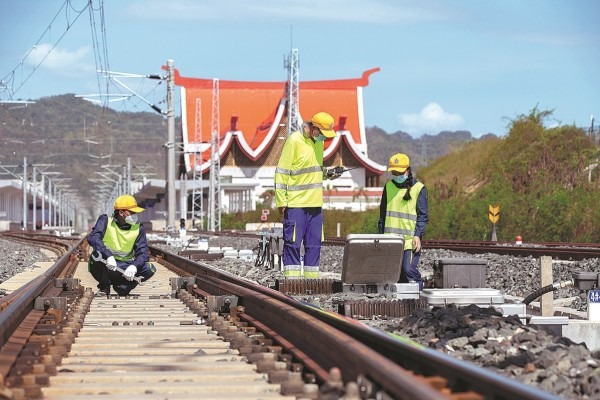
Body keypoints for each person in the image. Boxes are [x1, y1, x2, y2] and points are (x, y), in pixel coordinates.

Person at [274, 111, 341, 279]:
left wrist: (329, 173)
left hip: (315, 205)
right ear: (314, 129)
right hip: (296, 204)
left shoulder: (318, 144)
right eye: (323, 134)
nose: (324, 139)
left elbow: (313, 170)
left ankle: (312, 282)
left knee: (314, 244)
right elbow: (282, 172)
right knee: (293, 243)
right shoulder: (294, 140)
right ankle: (292, 281)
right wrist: (281, 200)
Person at [88, 194, 156, 296]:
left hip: (124, 267)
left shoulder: (138, 228)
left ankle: (123, 288)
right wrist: (108, 256)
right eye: (131, 212)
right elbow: (93, 238)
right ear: (121, 212)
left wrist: (134, 266)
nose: (134, 215)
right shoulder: (105, 220)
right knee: (96, 257)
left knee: (150, 268)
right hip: (105, 265)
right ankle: (104, 288)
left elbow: (143, 253)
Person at [378, 153, 428, 290]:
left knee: (408, 270)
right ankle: (401, 303)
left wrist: (418, 234)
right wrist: (379, 237)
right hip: (390, 241)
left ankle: (419, 293)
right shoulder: (388, 187)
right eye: (394, 172)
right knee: (395, 275)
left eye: (399, 172)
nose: (397, 175)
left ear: (407, 170)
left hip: (409, 241)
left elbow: (423, 216)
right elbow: (382, 216)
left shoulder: (419, 189)